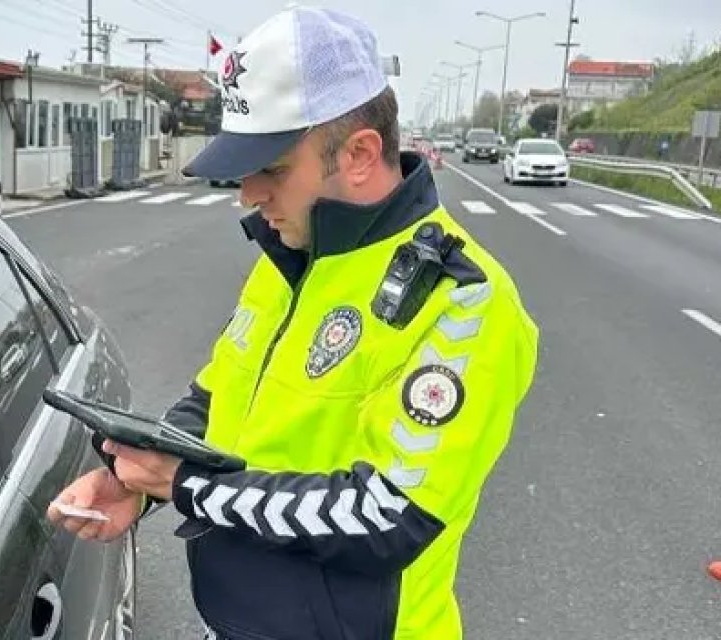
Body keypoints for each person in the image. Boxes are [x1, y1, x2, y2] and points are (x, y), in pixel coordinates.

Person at [48, 6, 539, 640]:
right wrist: (135, 482)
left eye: (273, 169)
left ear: (359, 154)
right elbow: (214, 401)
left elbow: (388, 515)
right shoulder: (289, 260)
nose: (248, 194)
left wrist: (187, 486)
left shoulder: (463, 299)